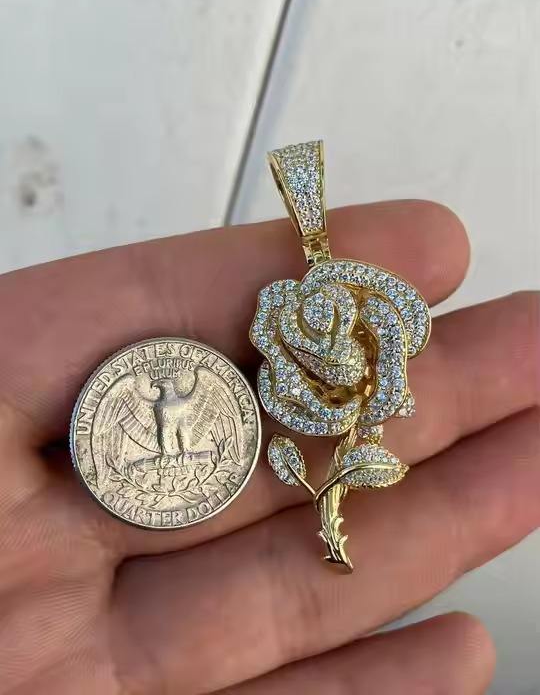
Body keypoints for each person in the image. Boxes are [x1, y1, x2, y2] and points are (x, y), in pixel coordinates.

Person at [0, 201, 537, 694]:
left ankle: (332, 535)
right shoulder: (281, 340)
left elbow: (390, 355)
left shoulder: (375, 334)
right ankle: (329, 537)